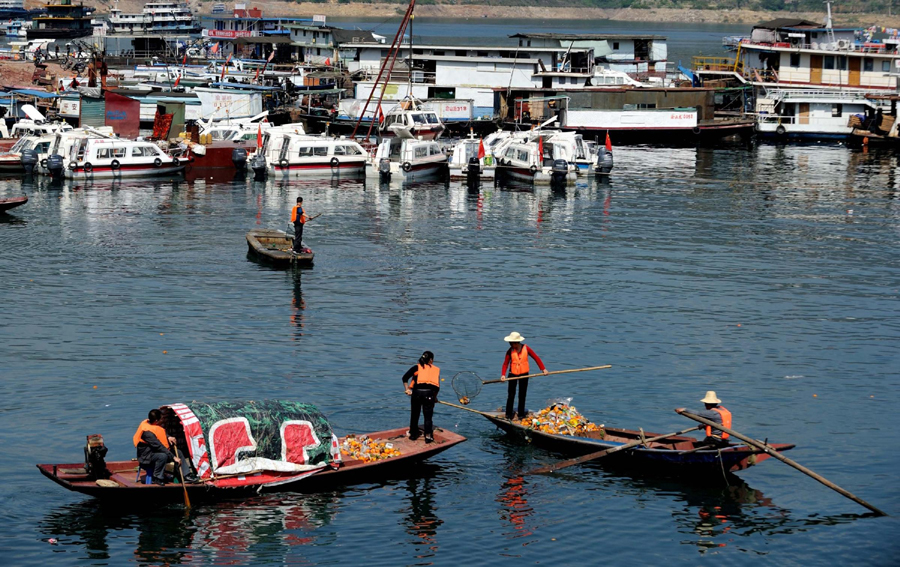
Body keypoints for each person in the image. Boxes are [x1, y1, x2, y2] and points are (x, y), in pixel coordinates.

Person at [500, 332, 548, 420]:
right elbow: (505, 364)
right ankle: (508, 414)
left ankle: (521, 414)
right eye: (510, 343)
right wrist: (503, 375)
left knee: (522, 395)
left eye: (512, 343)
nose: (511, 345)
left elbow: (536, 358)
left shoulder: (526, 348)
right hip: (512, 374)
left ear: (517, 342)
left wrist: (543, 369)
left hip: (524, 375)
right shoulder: (509, 351)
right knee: (511, 395)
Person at [402, 351, 440, 443]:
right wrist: (434, 398)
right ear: (430, 360)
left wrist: (407, 389)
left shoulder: (416, 367)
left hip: (416, 394)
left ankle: (413, 434)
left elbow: (405, 378)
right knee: (428, 417)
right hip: (429, 395)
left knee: (415, 415)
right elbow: (436, 388)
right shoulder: (435, 370)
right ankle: (428, 436)